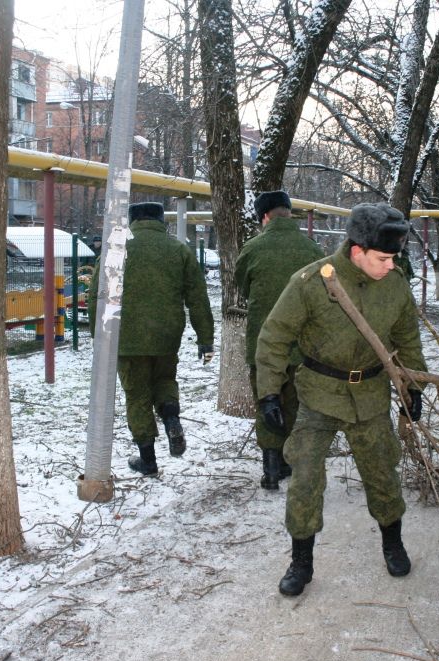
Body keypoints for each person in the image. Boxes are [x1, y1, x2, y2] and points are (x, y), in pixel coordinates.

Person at [255, 202, 429, 597]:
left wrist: (412, 386)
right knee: (305, 478)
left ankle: (393, 543)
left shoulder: (395, 284)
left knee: (383, 472)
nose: (390, 265)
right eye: (382, 258)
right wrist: (268, 393)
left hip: (369, 395)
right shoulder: (312, 282)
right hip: (319, 394)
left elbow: (407, 339)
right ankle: (301, 561)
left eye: (393, 258)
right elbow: (274, 337)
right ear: (357, 250)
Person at [87, 202, 215, 475]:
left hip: (127, 338)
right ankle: (171, 419)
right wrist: (205, 339)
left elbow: (96, 295)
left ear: (132, 221)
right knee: (165, 380)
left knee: (137, 395)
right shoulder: (179, 250)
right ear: (161, 221)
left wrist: (98, 338)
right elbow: (198, 298)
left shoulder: (117, 250)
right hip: (167, 336)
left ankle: (148, 459)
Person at [234, 190, 324, 490]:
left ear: (264, 217)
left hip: (264, 343)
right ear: (288, 212)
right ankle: (290, 462)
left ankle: (271, 469)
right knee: (295, 403)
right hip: (302, 344)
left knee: (267, 400)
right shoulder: (312, 249)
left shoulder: (252, 248)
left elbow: (243, 287)